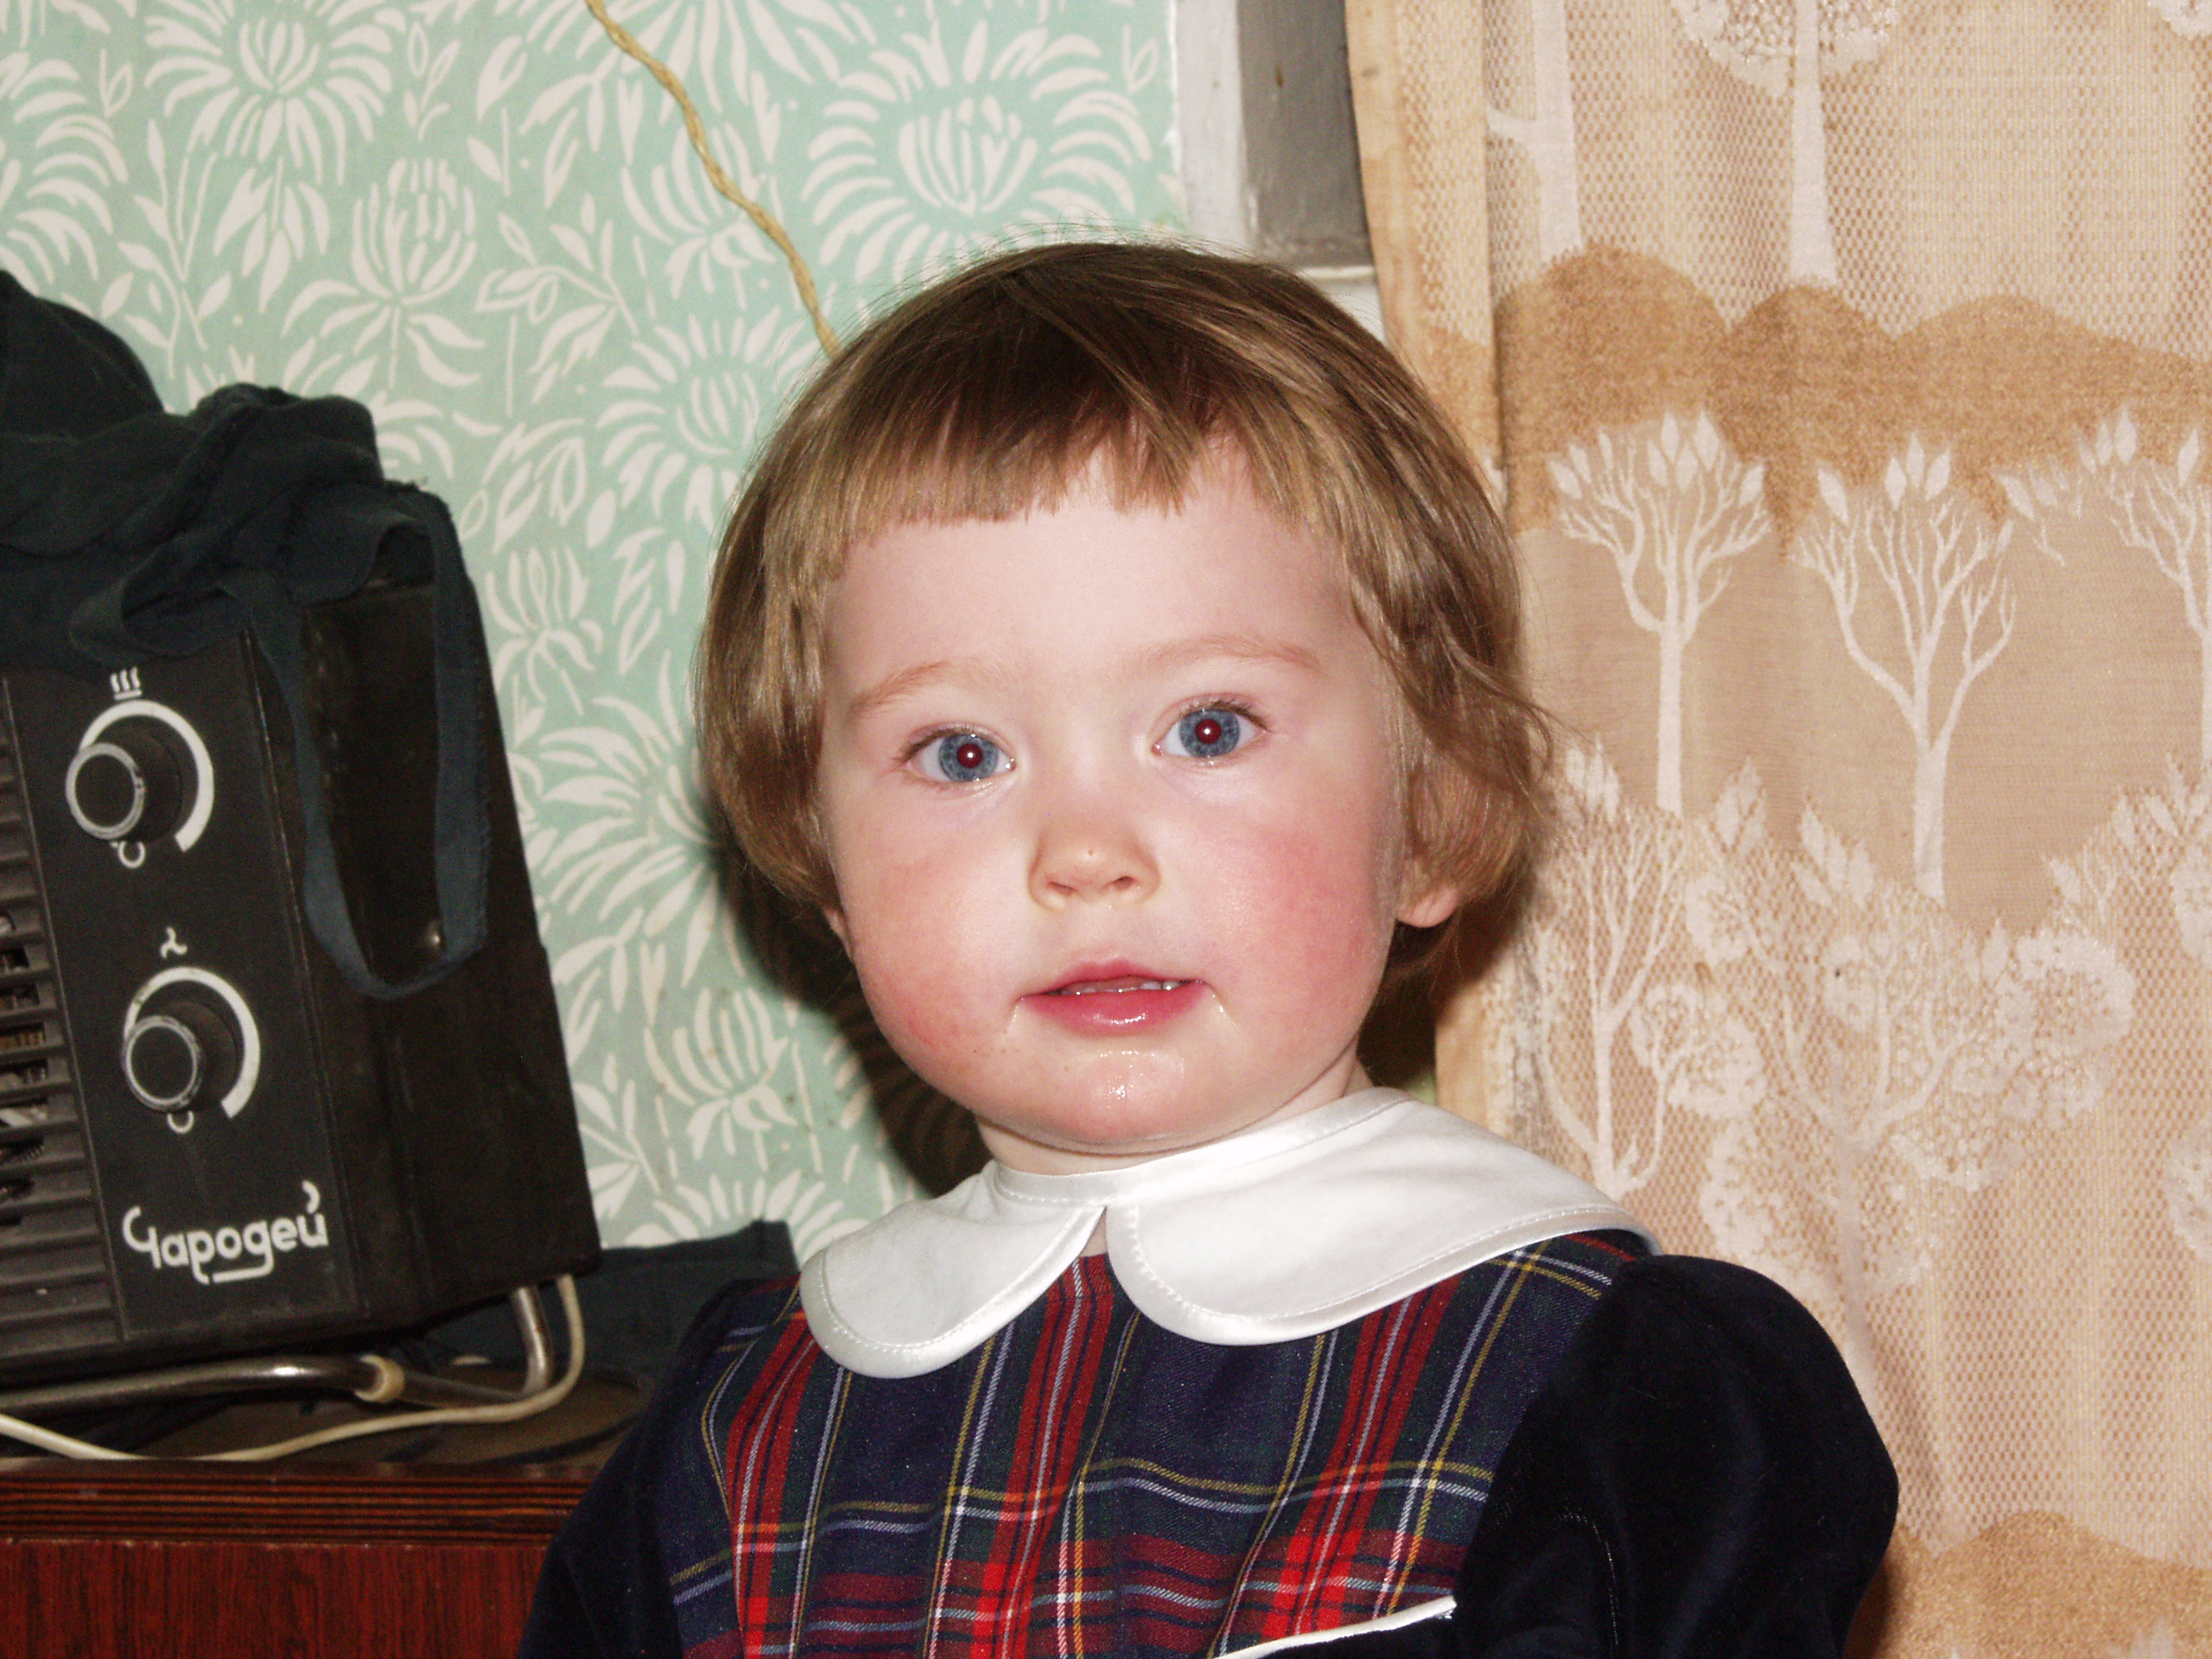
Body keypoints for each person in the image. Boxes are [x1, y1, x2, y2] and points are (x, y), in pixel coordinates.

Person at [519, 240, 1896, 1658]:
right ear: (825, 867)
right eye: (962, 752)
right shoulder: (729, 1440)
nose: (1084, 851)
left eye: (1208, 729)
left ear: (1433, 813)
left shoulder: (1621, 1395)